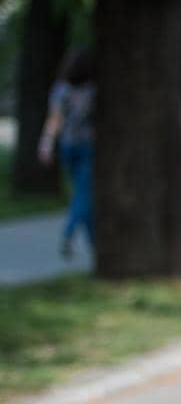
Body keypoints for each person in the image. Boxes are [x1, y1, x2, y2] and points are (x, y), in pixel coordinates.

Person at [36, 47, 95, 259]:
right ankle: (69, 234)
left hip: (67, 146)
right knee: (84, 194)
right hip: (87, 147)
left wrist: (46, 143)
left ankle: (95, 247)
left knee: (84, 194)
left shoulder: (60, 90)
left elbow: (54, 120)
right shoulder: (93, 91)